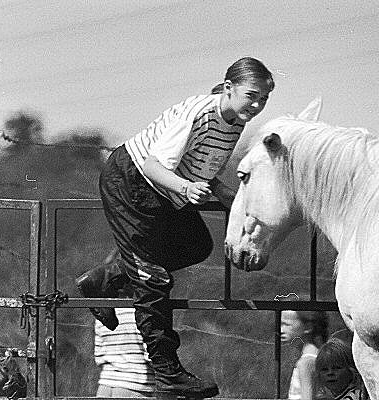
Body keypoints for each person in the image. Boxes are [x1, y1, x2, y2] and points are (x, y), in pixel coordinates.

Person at [76, 57, 275, 398]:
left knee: (197, 244)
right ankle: (166, 370)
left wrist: (230, 196)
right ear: (228, 88)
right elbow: (154, 165)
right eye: (251, 96)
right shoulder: (199, 114)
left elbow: (200, 166)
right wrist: (185, 188)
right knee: (152, 279)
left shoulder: (234, 122)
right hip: (133, 180)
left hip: (163, 190)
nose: (256, 106)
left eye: (264, 100)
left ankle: (105, 278)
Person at [94, 284, 156, 398]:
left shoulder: (104, 313)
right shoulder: (141, 313)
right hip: (135, 386)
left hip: (105, 386)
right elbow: (152, 355)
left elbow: (99, 356)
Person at [281, 310, 329, 399]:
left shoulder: (306, 362)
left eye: (286, 324)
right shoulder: (318, 355)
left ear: (308, 327)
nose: (281, 330)